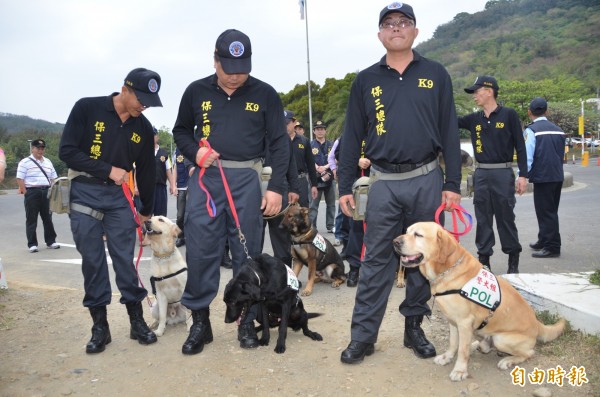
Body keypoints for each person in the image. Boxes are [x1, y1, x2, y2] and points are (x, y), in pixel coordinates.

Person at [337, 2, 462, 364]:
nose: (396, 28)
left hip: (426, 179)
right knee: (376, 260)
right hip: (383, 183)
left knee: (424, 259)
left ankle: (414, 329)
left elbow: (450, 132)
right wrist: (346, 184)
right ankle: (363, 337)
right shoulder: (366, 80)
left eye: (403, 22)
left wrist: (451, 182)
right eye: (388, 24)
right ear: (380, 34)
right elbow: (351, 135)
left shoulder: (436, 74)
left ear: (415, 31)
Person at [172, 29, 289, 356]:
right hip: (207, 180)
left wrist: (277, 186)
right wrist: (195, 152)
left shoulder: (265, 94)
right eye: (229, 68)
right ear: (215, 60)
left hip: (247, 181)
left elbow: (279, 143)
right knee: (201, 250)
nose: (236, 76)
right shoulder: (196, 91)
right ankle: (200, 320)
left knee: (247, 254)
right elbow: (180, 130)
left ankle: (247, 319)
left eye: (243, 68)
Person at [59, 67, 162, 354]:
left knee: (124, 261)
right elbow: (66, 151)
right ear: (125, 89)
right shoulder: (87, 108)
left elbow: (146, 170)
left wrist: (146, 212)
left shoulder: (142, 127)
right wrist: (107, 169)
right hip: (85, 191)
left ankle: (136, 321)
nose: (144, 105)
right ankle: (100, 327)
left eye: (150, 101)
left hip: (119, 197)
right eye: (140, 97)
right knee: (92, 261)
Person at [458, 75, 528, 273]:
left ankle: (513, 263)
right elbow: (448, 121)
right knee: (483, 218)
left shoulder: (509, 115)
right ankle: (484, 261)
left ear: (489, 91)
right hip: (481, 175)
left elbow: (520, 147)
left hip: (503, 173)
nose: (474, 96)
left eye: (477, 91)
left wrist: (523, 175)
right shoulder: (474, 119)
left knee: (506, 218)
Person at [524, 97, 565, 259]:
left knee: (545, 211)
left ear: (529, 112)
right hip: (557, 175)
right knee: (551, 210)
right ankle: (544, 239)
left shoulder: (531, 130)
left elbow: (528, 155)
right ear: (547, 111)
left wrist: (523, 176)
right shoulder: (558, 129)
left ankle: (552, 246)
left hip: (543, 177)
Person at [16, 139, 60, 253]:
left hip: (46, 191)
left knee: (48, 218)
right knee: (31, 219)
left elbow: (53, 178)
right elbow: (19, 178)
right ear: (32, 148)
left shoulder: (48, 162)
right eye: (38, 148)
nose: (40, 150)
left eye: (42, 148)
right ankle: (32, 244)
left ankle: (51, 241)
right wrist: (25, 192)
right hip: (32, 192)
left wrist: (54, 189)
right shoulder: (25, 162)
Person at [287, 111, 318, 208]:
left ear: (294, 122)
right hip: (283, 181)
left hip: (300, 180)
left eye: (287, 123)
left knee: (303, 210)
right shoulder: (277, 140)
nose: (285, 126)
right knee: (283, 213)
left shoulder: (304, 140)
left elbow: (310, 163)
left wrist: (314, 185)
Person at [309, 121, 335, 232]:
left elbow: (335, 158)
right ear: (314, 131)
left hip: (329, 177)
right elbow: (308, 159)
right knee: (314, 204)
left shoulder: (332, 144)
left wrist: (325, 167)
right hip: (315, 178)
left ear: (325, 131)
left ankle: (330, 226)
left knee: (331, 204)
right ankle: (312, 226)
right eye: (317, 129)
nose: (320, 131)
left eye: (322, 129)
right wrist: (317, 168)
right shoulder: (310, 144)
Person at [153, 128, 176, 217]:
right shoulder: (143, 151)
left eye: (154, 135)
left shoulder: (164, 153)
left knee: (160, 214)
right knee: (147, 213)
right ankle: (147, 231)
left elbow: (168, 170)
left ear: (157, 137)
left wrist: (172, 185)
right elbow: (138, 169)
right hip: (147, 187)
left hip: (161, 186)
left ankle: (160, 231)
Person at [173, 147, 193, 247]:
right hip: (181, 186)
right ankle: (181, 237)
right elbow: (175, 168)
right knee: (180, 215)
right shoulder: (177, 150)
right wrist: (173, 185)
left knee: (192, 215)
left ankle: (191, 237)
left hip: (193, 186)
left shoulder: (195, 146)